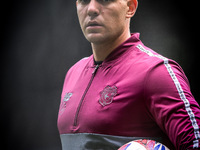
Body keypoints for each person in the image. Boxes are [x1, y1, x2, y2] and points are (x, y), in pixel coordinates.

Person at [57, 0, 200, 149]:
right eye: (84, 1)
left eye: (105, 0)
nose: (91, 9)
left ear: (130, 8)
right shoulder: (73, 73)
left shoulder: (156, 72)